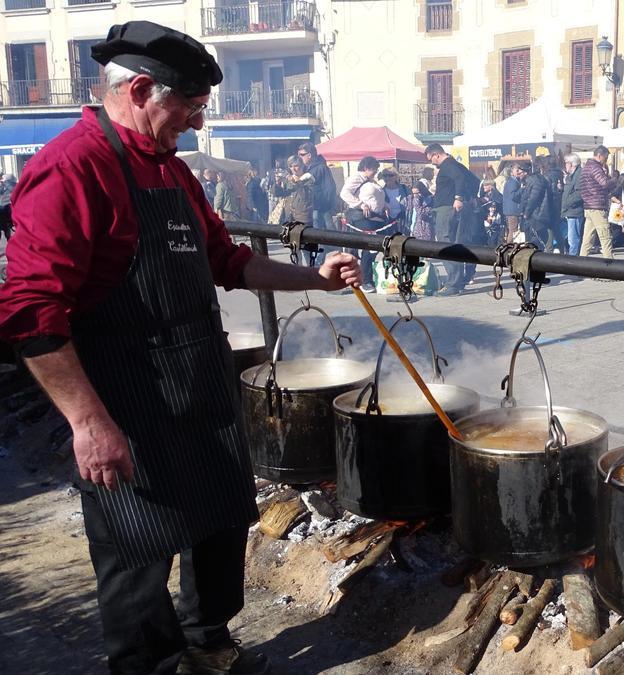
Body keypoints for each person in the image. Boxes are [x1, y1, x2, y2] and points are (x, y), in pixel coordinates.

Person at [0, 20, 362, 675]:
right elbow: (30, 311)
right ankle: (149, 664)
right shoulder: (70, 169)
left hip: (197, 381)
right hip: (123, 397)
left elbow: (228, 260)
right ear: (140, 89)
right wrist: (87, 420)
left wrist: (314, 277)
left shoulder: (170, 170)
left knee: (221, 521)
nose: (196, 124)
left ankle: (208, 644)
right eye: (190, 108)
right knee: (136, 552)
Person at [340, 156, 390, 292]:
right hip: (360, 218)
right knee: (370, 246)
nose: (376, 171)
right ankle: (365, 280)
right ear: (367, 168)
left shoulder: (369, 180)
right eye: (375, 169)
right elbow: (344, 193)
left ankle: (366, 276)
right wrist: (360, 204)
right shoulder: (356, 178)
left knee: (375, 247)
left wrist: (384, 205)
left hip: (374, 218)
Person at [426, 143, 480, 246]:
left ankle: (452, 262)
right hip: (455, 207)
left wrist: (459, 198)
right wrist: (471, 197)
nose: (432, 163)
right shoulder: (457, 165)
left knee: (444, 241)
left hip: (446, 208)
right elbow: (475, 181)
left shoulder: (448, 165)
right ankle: (460, 261)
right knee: (459, 240)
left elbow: (459, 177)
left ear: (436, 155)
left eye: (430, 159)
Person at [297, 141, 339, 265]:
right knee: (321, 236)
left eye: (302, 154)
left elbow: (308, 177)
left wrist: (296, 180)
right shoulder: (316, 167)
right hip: (318, 208)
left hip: (321, 208)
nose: (300, 157)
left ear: (309, 155)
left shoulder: (320, 167)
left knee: (322, 236)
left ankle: (322, 263)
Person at [579, 145, 620, 259]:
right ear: (599, 155)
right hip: (597, 206)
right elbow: (605, 183)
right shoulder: (595, 168)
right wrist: (614, 179)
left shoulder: (586, 167)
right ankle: (609, 266)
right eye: (605, 158)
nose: (606, 161)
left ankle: (580, 266)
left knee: (587, 239)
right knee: (605, 237)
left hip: (588, 206)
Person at [517, 160, 553, 248]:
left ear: (526, 172)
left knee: (534, 242)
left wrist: (526, 213)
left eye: (520, 172)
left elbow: (532, 199)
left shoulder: (535, 180)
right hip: (536, 215)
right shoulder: (535, 180)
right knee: (534, 241)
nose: (519, 174)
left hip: (535, 216)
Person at [271, 155, 314, 224]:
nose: (293, 169)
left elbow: (305, 196)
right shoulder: (289, 179)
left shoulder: (308, 178)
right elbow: (276, 193)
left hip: (302, 217)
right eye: (290, 166)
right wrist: (277, 183)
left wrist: (296, 182)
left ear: (302, 166)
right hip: (288, 216)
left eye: (296, 166)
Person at [561, 153, 584, 255]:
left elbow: (579, 194)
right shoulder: (572, 175)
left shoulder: (579, 174)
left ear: (572, 164)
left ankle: (573, 259)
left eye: (566, 163)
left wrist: (567, 203)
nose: (565, 165)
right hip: (570, 210)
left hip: (575, 210)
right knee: (572, 237)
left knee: (573, 238)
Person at [501, 163, 523, 242]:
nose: (519, 172)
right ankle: (508, 247)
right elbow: (513, 196)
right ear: (511, 172)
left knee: (512, 230)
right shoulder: (513, 182)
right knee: (513, 231)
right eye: (517, 170)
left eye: (520, 170)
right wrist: (522, 189)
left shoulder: (512, 181)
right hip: (512, 211)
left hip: (511, 210)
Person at [0, 172, 16, 243]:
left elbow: (12, 190)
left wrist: (5, 184)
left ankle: (10, 242)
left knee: (6, 229)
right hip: (3, 211)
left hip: (6, 210)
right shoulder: (3, 188)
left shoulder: (12, 187)